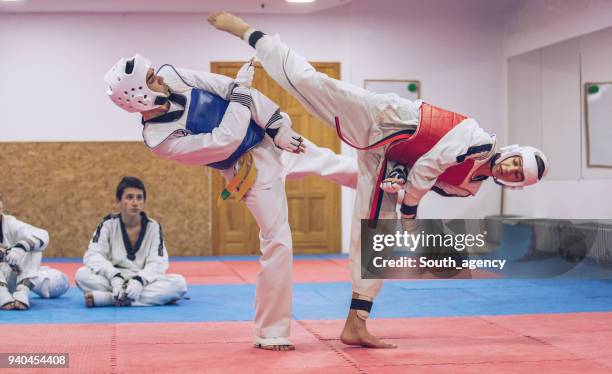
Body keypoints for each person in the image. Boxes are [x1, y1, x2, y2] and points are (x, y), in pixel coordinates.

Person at [208, 11, 550, 348]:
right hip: (389, 118)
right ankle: (248, 32)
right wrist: (412, 217)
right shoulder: (480, 142)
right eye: (516, 162)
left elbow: (418, 179)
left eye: (517, 174)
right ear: (512, 152)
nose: (510, 169)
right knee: (314, 85)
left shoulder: (467, 187)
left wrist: (398, 184)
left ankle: (356, 324)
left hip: (388, 159)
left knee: (376, 238)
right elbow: (429, 166)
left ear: (515, 184)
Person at [103, 55, 357, 351]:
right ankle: (270, 332)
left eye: (152, 74)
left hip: (270, 137)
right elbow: (226, 140)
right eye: (150, 79)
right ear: (138, 97)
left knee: (335, 164)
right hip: (247, 169)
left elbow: (232, 89)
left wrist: (278, 127)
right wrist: (241, 90)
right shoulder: (160, 140)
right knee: (278, 242)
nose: (158, 78)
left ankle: (399, 184)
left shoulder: (173, 74)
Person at [75, 177, 188, 309]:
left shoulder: (153, 227)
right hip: (114, 279)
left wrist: (140, 280)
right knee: (81, 275)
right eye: (129, 197)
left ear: (144, 202)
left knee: (179, 284)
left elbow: (158, 262)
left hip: (143, 280)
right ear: (118, 201)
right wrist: (114, 276)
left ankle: (110, 299)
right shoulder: (107, 224)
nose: (135, 203)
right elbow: (92, 255)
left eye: (139, 198)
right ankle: (130, 298)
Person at [0, 194, 68, 310]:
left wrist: (20, 248)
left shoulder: (9, 222)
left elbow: (42, 235)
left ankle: (22, 291)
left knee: (57, 282)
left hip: (12, 275)